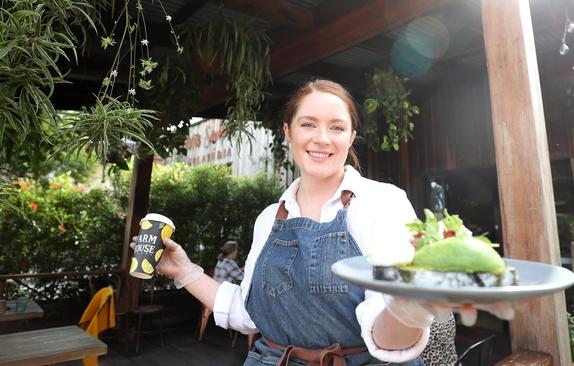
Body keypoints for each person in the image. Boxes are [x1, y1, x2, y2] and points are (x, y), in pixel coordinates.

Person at [141, 79, 513, 365]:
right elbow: (248, 315)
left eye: (336, 127)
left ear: (351, 137)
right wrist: (184, 271)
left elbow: (389, 340)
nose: (322, 138)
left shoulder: (382, 202)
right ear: (288, 132)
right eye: (308, 124)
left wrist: (410, 304)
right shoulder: (271, 217)